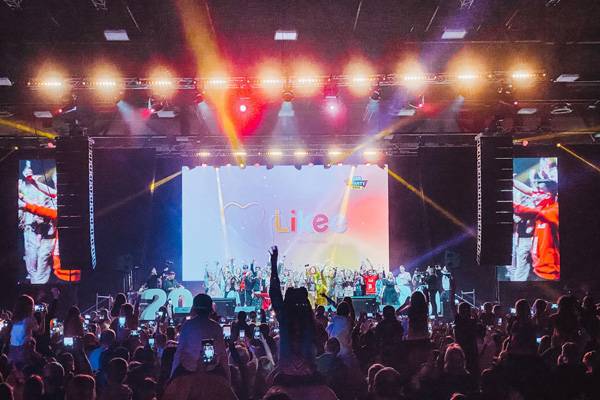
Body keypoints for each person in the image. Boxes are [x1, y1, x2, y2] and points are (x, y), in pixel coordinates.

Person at [170, 293, 229, 381]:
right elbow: (222, 354)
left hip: (188, 370)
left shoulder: (187, 325)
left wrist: (172, 376)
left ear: (194, 308)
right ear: (210, 309)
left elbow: (179, 352)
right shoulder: (216, 327)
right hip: (211, 370)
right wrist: (228, 379)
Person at [8, 294, 45, 368]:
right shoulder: (29, 319)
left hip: (11, 355)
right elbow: (40, 331)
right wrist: (43, 316)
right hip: (23, 355)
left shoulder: (13, 320)